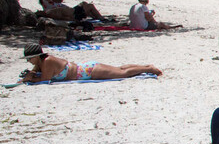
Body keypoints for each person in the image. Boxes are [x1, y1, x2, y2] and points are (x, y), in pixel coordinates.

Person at [20, 44, 161, 83]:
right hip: (86, 70)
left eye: (29, 58)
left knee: (122, 73)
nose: (29, 61)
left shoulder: (48, 61)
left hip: (87, 72)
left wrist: (31, 78)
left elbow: (45, 79)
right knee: (119, 69)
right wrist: (30, 76)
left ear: (36, 56)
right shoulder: (41, 63)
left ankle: (150, 69)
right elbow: (37, 74)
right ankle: (147, 67)